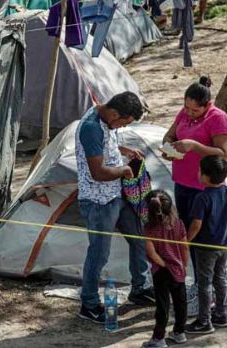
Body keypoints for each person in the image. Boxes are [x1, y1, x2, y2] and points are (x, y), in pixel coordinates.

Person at [76, 92, 155, 323]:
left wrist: (124, 150)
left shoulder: (106, 118)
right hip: (98, 201)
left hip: (117, 195)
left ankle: (140, 288)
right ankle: (89, 304)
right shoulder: (91, 128)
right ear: (114, 114)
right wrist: (125, 170)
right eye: (124, 123)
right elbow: (98, 172)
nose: (123, 127)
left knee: (138, 237)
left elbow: (105, 145)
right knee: (99, 254)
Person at [162, 76, 227, 232]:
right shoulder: (184, 113)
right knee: (185, 226)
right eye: (186, 107)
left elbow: (222, 154)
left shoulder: (219, 118)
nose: (189, 113)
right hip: (181, 182)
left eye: (195, 110)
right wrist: (168, 149)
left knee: (202, 231)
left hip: (205, 186)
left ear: (207, 105)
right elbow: (169, 136)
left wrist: (194, 146)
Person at [185, 156, 227, 334]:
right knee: (220, 278)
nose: (198, 173)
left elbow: (196, 225)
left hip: (206, 247)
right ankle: (221, 314)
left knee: (204, 283)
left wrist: (186, 240)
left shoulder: (202, 198)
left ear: (206, 176)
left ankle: (204, 321)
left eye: (200, 170)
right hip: (224, 244)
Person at [141, 190, 189, 348]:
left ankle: (158, 338)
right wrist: (183, 265)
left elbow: (151, 253)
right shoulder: (179, 224)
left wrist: (163, 264)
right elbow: (184, 247)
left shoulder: (149, 229)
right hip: (178, 268)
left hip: (161, 271)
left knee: (163, 305)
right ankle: (179, 332)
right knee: (180, 302)